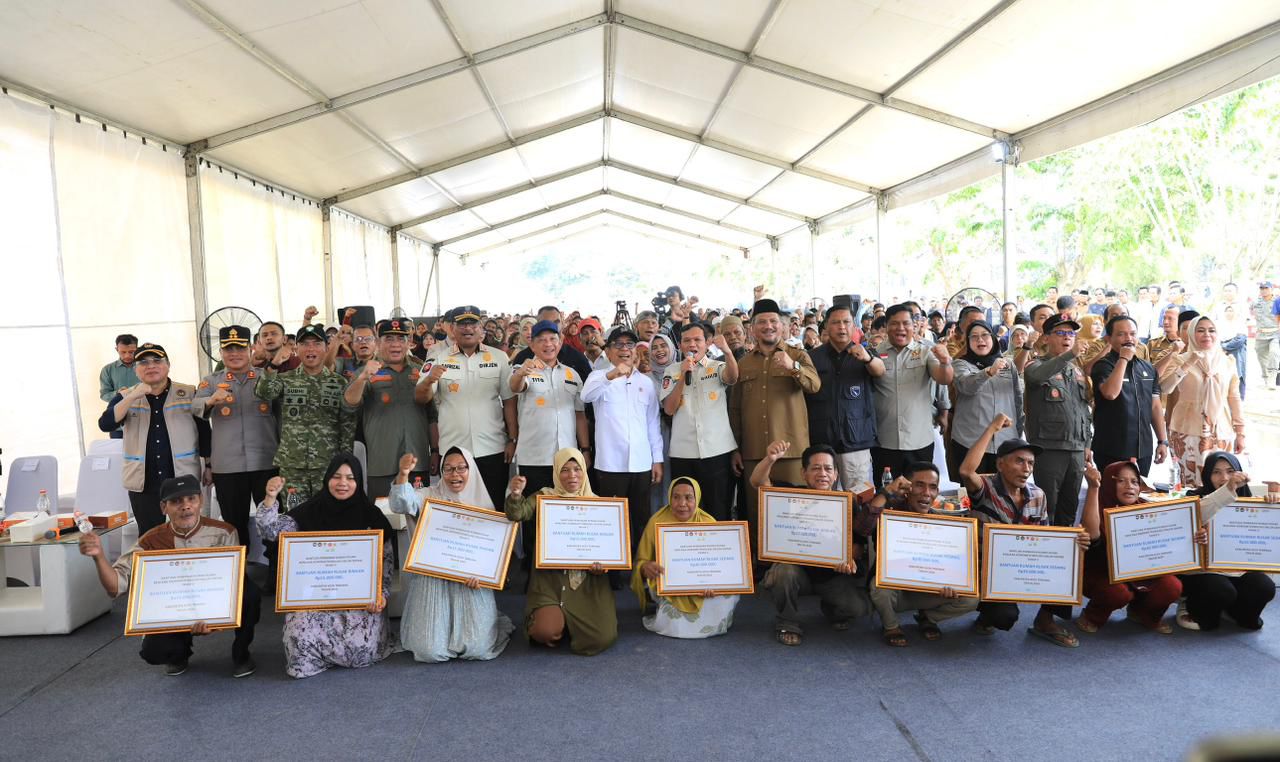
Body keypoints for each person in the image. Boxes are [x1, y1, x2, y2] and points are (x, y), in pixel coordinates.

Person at [78, 475, 260, 677]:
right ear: (164, 507)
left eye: (191, 499)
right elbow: (115, 587)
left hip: (212, 600)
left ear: (201, 501)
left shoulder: (225, 532)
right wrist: (99, 556)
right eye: (176, 501)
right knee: (153, 652)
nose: (185, 506)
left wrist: (213, 621)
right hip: (173, 607)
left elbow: (231, 584)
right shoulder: (150, 540)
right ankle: (178, 654)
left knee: (249, 593)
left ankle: (241, 652)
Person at [256, 454, 396, 678]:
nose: (343, 483)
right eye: (336, 476)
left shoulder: (371, 516)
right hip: (315, 596)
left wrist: (381, 595)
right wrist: (270, 498)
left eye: (350, 478)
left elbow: (386, 565)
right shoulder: (309, 511)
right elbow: (270, 531)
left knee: (359, 650)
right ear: (327, 478)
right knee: (299, 647)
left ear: (359, 482)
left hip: (358, 597)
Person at [957, 415, 1089, 646]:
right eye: (1019, 461)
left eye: (1030, 463)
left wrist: (1075, 542)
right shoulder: (985, 488)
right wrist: (992, 428)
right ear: (1000, 464)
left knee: (1068, 564)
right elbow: (967, 471)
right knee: (1005, 617)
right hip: (988, 571)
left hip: (1023, 566)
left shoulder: (1038, 494)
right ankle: (986, 616)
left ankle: (1045, 621)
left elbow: (1045, 540)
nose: (1026, 468)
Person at [387, 448, 514, 661]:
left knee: (477, 648)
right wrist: (403, 474)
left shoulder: (483, 503)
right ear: (442, 472)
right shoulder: (429, 496)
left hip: (470, 583)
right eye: (448, 469)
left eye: (461, 468)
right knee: (429, 651)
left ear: (471, 470)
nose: (455, 474)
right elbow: (401, 503)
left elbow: (491, 555)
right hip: (433, 579)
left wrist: (482, 576)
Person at [751, 440, 868, 646]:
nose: (822, 473)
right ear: (803, 473)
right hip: (798, 573)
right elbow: (758, 482)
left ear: (836, 474)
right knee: (783, 572)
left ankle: (831, 608)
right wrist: (770, 459)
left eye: (828, 469)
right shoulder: (789, 495)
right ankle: (787, 622)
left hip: (831, 575)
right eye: (815, 468)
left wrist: (849, 560)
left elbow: (858, 547)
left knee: (857, 609)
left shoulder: (847, 503)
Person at [505, 449, 617, 655]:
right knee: (544, 632)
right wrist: (516, 495)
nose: (571, 475)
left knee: (601, 638)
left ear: (584, 471)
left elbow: (608, 550)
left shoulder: (599, 505)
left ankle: (567, 622)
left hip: (587, 582)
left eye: (577, 469)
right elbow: (517, 513)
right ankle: (558, 621)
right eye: (564, 470)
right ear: (556, 472)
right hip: (550, 580)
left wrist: (604, 566)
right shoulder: (545, 497)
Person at [729, 299, 821, 538]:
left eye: (773, 321)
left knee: (795, 513)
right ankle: (759, 560)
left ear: (783, 326)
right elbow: (735, 409)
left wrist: (793, 367)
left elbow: (814, 385)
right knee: (759, 513)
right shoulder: (744, 363)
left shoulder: (797, 355)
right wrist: (736, 448)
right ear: (752, 329)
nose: (768, 326)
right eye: (762, 322)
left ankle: (795, 559)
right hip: (754, 453)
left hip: (792, 451)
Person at [861, 463, 979, 647]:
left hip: (927, 591)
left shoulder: (944, 522)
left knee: (971, 598)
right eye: (919, 485)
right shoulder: (890, 513)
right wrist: (887, 491)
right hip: (896, 591)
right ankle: (891, 626)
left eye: (933, 487)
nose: (926, 493)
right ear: (906, 487)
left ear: (938, 492)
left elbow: (949, 565)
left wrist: (951, 582)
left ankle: (928, 618)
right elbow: (863, 528)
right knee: (878, 586)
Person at [97, 343, 210, 534]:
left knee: (190, 533)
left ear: (168, 365)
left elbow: (204, 429)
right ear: (135, 369)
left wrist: (209, 464)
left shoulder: (188, 393)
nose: (151, 366)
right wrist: (132, 397)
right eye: (143, 362)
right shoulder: (126, 396)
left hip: (182, 476)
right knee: (150, 536)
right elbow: (105, 424)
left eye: (157, 361)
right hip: (143, 481)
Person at [416, 306, 516, 510]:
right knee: (456, 511)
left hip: (492, 448)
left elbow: (509, 401)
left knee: (495, 509)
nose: (467, 328)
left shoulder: (499, 357)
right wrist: (428, 381)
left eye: (473, 324)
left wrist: (513, 439)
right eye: (462, 324)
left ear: (481, 329)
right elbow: (420, 397)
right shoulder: (438, 358)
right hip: (453, 450)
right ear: (452, 329)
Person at [193, 325, 279, 562]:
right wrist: (211, 400)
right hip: (228, 467)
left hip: (267, 464)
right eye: (228, 349)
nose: (234, 354)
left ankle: (276, 572)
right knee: (234, 527)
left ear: (250, 349)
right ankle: (240, 577)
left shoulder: (266, 378)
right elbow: (195, 407)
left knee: (272, 522)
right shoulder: (211, 381)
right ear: (221, 352)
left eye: (240, 348)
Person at [582, 326, 665, 552]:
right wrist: (612, 375)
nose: (625, 349)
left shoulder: (646, 382)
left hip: (641, 463)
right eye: (618, 344)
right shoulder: (598, 376)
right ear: (608, 351)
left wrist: (657, 459)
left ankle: (640, 567)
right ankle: (614, 568)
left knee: (640, 519)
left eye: (629, 344)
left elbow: (652, 423)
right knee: (612, 522)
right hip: (611, 465)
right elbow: (586, 396)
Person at [1174, 452, 1277, 631]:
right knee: (1220, 591)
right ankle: (1192, 606)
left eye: (1230, 471)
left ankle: (1236, 612)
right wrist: (1227, 490)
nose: (1224, 478)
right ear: (1207, 475)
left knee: (1264, 587)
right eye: (1216, 472)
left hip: (1238, 571)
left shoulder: (1251, 503)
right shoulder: (1194, 499)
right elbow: (1193, 517)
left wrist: (1273, 507)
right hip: (1205, 573)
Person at [1076, 460, 1181, 634]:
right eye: (1121, 481)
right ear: (1109, 483)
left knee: (1171, 586)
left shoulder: (1146, 510)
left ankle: (1142, 614)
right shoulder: (1098, 506)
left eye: (1134, 482)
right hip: (1101, 573)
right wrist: (1094, 487)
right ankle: (1092, 616)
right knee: (1118, 593)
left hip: (1140, 572)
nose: (1129, 486)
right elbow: (1092, 535)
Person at [630, 476, 739, 638]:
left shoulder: (708, 522)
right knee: (670, 614)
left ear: (697, 499)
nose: (682, 503)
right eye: (676, 497)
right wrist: (646, 568)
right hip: (670, 582)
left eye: (688, 498)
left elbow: (720, 565)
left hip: (703, 585)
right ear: (669, 498)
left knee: (727, 594)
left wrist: (713, 582)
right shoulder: (657, 521)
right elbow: (641, 561)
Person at [256, 325, 357, 499]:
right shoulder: (285, 379)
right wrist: (273, 365)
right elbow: (264, 393)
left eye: (316, 343)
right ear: (296, 348)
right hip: (292, 464)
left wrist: (345, 461)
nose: (311, 349)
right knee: (295, 512)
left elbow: (347, 424)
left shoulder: (339, 382)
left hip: (328, 463)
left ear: (326, 348)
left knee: (328, 511)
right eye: (305, 344)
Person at [342, 318, 433, 498]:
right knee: (383, 513)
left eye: (401, 339)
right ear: (378, 342)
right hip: (382, 463)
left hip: (417, 461)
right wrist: (362, 378)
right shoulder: (367, 371)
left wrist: (435, 450)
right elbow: (348, 404)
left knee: (418, 511)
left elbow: (432, 415)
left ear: (409, 342)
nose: (395, 344)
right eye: (389, 339)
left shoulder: (420, 370)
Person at [663, 322, 739, 520]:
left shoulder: (716, 366)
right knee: (685, 512)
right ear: (679, 345)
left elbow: (732, 378)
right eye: (687, 340)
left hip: (717, 451)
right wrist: (682, 376)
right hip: (683, 454)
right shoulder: (671, 371)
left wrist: (727, 352)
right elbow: (669, 409)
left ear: (707, 343)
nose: (692, 344)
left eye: (697, 340)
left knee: (719, 509)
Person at [805, 305, 883, 494]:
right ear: (826, 327)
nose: (841, 327)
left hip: (856, 440)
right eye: (836, 322)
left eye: (846, 322)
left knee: (859, 496)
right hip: (821, 440)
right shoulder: (812, 357)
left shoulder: (866, 352)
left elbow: (880, 370)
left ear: (854, 326)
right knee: (823, 497)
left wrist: (867, 359)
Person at [1159, 315, 1245, 489]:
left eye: (1211, 330)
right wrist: (1188, 363)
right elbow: (1165, 387)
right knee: (1192, 485)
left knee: (1221, 482)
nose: (1207, 334)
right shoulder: (1180, 359)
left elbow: (1233, 397)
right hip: (1187, 431)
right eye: (1200, 330)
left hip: (1220, 430)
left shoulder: (1227, 361)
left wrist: (1240, 432)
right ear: (1192, 334)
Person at [870, 304, 954, 478]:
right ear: (886, 326)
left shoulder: (926, 352)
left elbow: (944, 379)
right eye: (894, 323)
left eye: (905, 323)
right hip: (885, 441)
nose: (900, 328)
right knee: (887, 491)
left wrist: (945, 362)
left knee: (920, 490)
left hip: (919, 440)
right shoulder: (875, 354)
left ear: (913, 326)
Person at [1022, 315, 1090, 527]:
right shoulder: (1035, 364)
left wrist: (1087, 443)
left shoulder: (1077, 371)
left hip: (1077, 449)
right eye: (1060, 333)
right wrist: (1070, 355)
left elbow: (1084, 410)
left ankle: (1067, 546)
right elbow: (1035, 377)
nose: (1067, 337)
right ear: (1046, 338)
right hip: (1049, 448)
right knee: (1047, 507)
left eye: (1071, 333)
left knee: (1069, 508)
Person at [1091, 317, 1169, 475]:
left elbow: (1155, 406)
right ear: (1109, 339)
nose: (1128, 339)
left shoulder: (1148, 368)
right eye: (1121, 334)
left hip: (1143, 449)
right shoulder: (1103, 365)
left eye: (1133, 334)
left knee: (1140, 489)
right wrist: (1123, 359)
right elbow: (1110, 393)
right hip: (1112, 448)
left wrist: (1162, 441)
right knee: (1112, 490)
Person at [948, 321, 1020, 479]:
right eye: (974, 337)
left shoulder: (1008, 364)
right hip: (970, 441)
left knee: (1003, 490)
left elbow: (1017, 400)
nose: (980, 340)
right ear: (968, 342)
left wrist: (1018, 432)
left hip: (1005, 441)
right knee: (973, 490)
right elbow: (967, 386)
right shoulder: (960, 364)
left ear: (993, 338)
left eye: (985, 335)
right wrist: (988, 372)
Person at [98, 333, 139, 440]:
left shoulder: (146, 367)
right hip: (118, 426)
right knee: (119, 450)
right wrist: (118, 394)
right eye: (123, 352)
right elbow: (104, 394)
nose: (127, 355)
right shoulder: (107, 370)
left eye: (131, 352)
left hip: (143, 421)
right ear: (117, 349)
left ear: (137, 349)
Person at [1251, 281, 1279, 391]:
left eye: (1266, 288)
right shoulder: (1255, 302)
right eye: (1261, 288)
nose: (1263, 290)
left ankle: (1272, 377)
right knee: (1262, 357)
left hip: (1275, 333)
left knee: (1274, 353)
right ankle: (1266, 378)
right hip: (1261, 334)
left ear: (1271, 289)